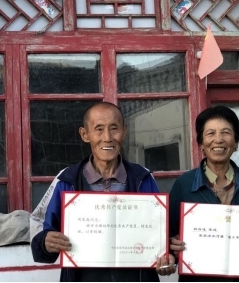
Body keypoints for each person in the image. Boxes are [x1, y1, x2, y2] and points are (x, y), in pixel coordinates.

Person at [156, 106, 239, 281]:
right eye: (210, 133)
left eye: (226, 133)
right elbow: (168, 236)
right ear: (201, 144)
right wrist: (171, 248)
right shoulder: (184, 184)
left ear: (236, 143)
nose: (218, 140)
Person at [31, 101, 162, 282]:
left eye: (114, 128)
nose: (107, 137)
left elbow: (159, 234)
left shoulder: (143, 178)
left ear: (124, 131)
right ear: (85, 134)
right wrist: (46, 242)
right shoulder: (66, 180)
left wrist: (166, 255)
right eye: (99, 129)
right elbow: (43, 232)